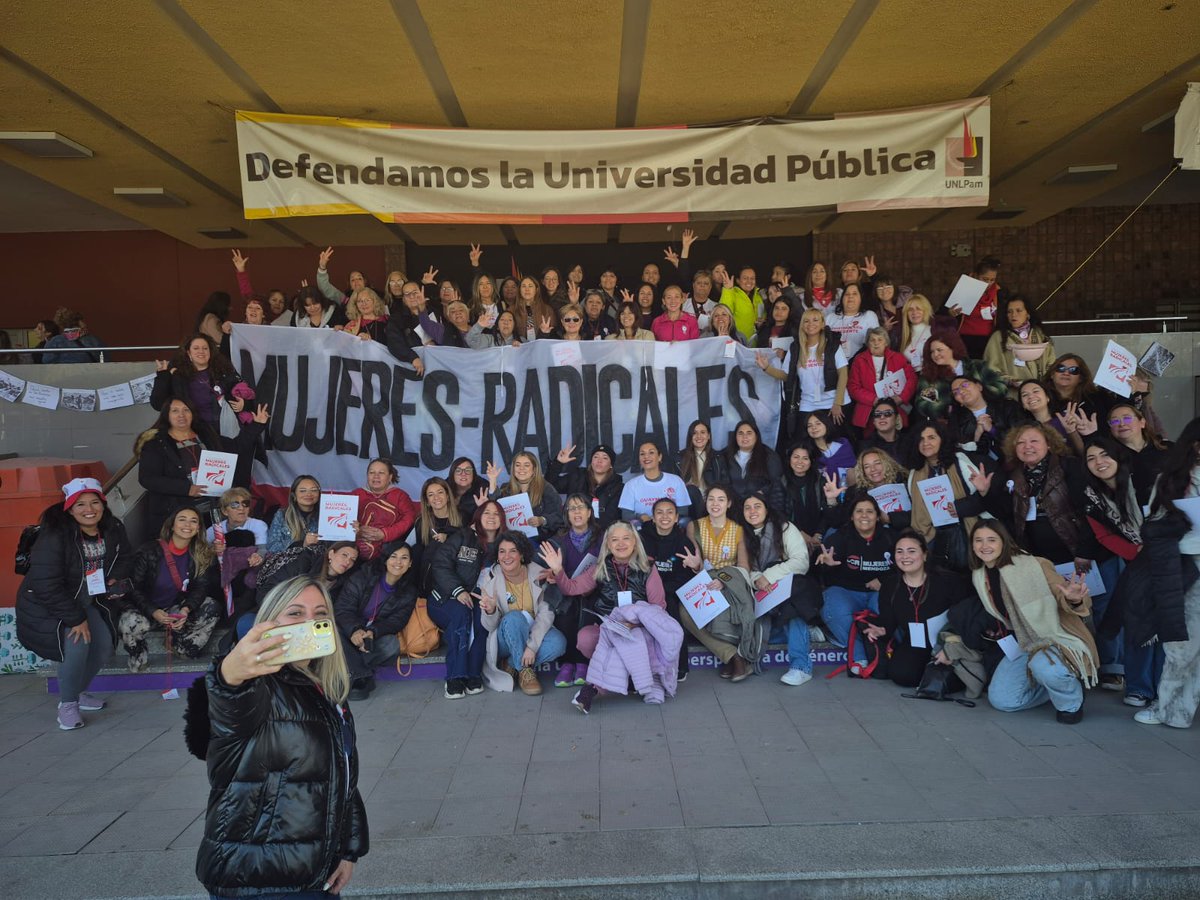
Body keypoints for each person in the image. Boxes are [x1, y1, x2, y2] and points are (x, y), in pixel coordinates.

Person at [197, 576, 367, 898]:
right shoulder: (259, 685)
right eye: (295, 613)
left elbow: (342, 777)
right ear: (269, 622)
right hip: (256, 879)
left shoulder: (326, 690)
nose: (309, 622)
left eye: (320, 614)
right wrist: (229, 674)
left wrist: (348, 850)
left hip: (315, 872)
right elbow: (230, 698)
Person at [16, 477, 133, 730]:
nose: (89, 510)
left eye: (94, 502)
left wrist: (115, 576)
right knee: (78, 645)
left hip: (86, 599)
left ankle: (77, 692)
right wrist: (75, 619)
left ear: (103, 504)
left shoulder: (112, 527)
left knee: (103, 647)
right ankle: (67, 705)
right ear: (68, 508)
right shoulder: (56, 535)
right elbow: (46, 583)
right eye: (80, 505)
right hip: (48, 603)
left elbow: (125, 556)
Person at [967, 519, 1097, 723]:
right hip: (1024, 641)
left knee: (1045, 668)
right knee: (1003, 700)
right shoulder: (979, 575)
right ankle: (1054, 686)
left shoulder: (1033, 564)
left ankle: (1070, 703)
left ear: (1004, 541)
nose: (985, 546)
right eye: (978, 540)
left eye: (991, 540)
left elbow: (1066, 593)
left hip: (1054, 636)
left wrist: (1073, 598)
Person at [541, 522, 678, 714]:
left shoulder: (647, 566)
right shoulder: (600, 567)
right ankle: (629, 678)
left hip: (641, 630)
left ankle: (593, 689)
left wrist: (633, 622)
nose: (620, 544)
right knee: (586, 638)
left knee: (629, 642)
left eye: (626, 538)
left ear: (634, 542)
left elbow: (658, 608)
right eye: (614, 540)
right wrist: (558, 570)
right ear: (608, 545)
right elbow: (571, 588)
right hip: (610, 629)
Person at [1134, 417, 1200, 728]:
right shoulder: (1172, 479)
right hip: (1185, 567)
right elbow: (1154, 527)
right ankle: (1170, 708)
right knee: (1182, 645)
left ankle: (1182, 709)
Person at [863, 530, 973, 686]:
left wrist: (952, 647)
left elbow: (965, 617)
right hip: (917, 640)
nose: (905, 556)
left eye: (912, 551)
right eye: (899, 551)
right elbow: (888, 620)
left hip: (949, 641)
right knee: (902, 675)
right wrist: (882, 630)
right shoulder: (890, 585)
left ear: (925, 555)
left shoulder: (948, 581)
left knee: (953, 675)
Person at [136, 397, 267, 527]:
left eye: (186, 410)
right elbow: (147, 479)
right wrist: (187, 489)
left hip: (213, 507)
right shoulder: (156, 444)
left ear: (192, 413)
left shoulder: (206, 434)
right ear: (166, 415)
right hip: (177, 513)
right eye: (175, 411)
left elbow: (236, 446)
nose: (181, 415)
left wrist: (257, 425)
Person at [119, 506, 221, 672]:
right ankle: (139, 657)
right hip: (145, 610)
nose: (187, 524)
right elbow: (133, 588)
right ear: (172, 525)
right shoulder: (148, 550)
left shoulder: (200, 553)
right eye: (182, 519)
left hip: (174, 608)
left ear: (198, 529)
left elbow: (200, 588)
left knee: (211, 606)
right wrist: (153, 611)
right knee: (129, 622)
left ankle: (178, 644)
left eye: (193, 521)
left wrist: (185, 609)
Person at [679, 484, 759, 682]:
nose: (715, 504)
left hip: (730, 584)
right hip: (704, 582)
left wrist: (724, 581)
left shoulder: (738, 529)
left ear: (729, 503)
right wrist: (697, 568)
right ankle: (733, 656)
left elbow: (743, 567)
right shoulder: (694, 526)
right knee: (685, 611)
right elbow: (696, 560)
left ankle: (731, 659)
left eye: (721, 499)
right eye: (711, 499)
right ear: (705, 502)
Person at [475, 531, 568, 696]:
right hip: (506, 637)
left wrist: (532, 647)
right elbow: (489, 626)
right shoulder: (489, 579)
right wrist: (491, 610)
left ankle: (512, 663)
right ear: (497, 556)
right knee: (514, 618)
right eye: (502, 551)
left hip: (533, 630)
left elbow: (546, 614)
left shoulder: (540, 574)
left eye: (512, 551)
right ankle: (526, 671)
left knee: (558, 642)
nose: (506, 556)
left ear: (522, 554)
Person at [743, 492, 821, 687]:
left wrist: (768, 576)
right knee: (779, 621)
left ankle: (801, 667)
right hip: (763, 593)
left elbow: (801, 561)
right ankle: (809, 631)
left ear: (767, 508)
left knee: (791, 611)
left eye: (757, 506)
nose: (753, 511)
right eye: (747, 507)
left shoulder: (784, 527)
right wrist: (757, 579)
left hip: (792, 588)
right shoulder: (743, 534)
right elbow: (746, 568)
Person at [428, 500, 504, 699]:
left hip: (481, 598)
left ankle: (473, 673)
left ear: (502, 519)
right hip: (446, 597)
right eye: (486, 513)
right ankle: (455, 676)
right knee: (462, 615)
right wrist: (458, 590)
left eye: (496, 514)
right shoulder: (463, 536)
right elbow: (440, 564)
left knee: (482, 619)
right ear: (478, 517)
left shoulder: (506, 542)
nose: (491, 517)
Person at [814, 496, 896, 674]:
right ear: (852, 516)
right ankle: (859, 656)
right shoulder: (840, 537)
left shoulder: (890, 537)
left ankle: (881, 653)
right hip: (845, 591)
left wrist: (883, 581)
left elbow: (904, 567)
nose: (864, 516)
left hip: (877, 593)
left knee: (889, 610)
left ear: (877, 516)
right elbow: (820, 568)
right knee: (835, 609)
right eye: (859, 511)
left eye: (869, 511)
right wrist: (825, 564)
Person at [906, 421, 997, 572]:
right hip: (935, 541)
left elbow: (984, 500)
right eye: (921, 439)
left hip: (966, 533)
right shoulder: (914, 474)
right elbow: (917, 511)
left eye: (931, 437)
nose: (926, 443)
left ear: (942, 440)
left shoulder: (960, 461)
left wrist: (959, 508)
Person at [336, 542, 417, 700]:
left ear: (410, 563)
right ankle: (361, 677)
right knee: (334, 632)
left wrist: (373, 632)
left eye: (404, 558)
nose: (398, 562)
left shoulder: (409, 591)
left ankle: (352, 671)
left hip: (372, 637)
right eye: (393, 556)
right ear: (386, 559)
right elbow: (343, 609)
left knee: (391, 645)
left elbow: (397, 621)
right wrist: (355, 630)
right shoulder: (364, 576)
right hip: (349, 632)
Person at [639, 497, 700, 681]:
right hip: (645, 589)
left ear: (676, 518)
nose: (664, 516)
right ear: (653, 517)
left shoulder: (684, 542)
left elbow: (686, 578)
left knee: (672, 612)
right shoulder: (642, 539)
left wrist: (662, 590)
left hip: (672, 591)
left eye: (669, 512)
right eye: (660, 512)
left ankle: (680, 666)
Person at [550, 493, 604, 687]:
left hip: (594, 590)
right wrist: (551, 572)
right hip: (566, 590)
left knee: (587, 608)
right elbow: (549, 567)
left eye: (581, 507)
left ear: (589, 512)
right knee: (567, 609)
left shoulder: (602, 537)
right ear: (567, 514)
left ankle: (582, 663)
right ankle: (567, 663)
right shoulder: (559, 539)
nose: (576, 512)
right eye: (572, 508)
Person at [150, 334, 245, 430]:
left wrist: (243, 403)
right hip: (195, 430)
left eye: (205, 348)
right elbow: (158, 405)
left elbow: (245, 393)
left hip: (228, 427)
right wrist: (162, 376)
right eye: (196, 348)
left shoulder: (224, 371)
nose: (201, 351)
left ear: (210, 352)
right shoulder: (178, 376)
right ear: (188, 353)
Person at [914, 329, 1006, 422]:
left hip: (990, 416)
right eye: (932, 352)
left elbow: (1000, 387)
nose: (935, 354)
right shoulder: (928, 376)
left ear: (952, 348)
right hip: (952, 424)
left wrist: (976, 398)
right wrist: (949, 408)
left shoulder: (977, 365)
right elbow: (923, 404)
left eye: (939, 350)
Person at [207, 487, 267, 620]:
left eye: (245, 504)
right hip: (223, 574)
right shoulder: (215, 530)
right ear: (224, 511)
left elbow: (262, 549)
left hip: (248, 571)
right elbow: (201, 552)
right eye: (235, 505)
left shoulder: (258, 525)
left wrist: (258, 556)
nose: (241, 508)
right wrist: (212, 550)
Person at [846, 326, 917, 433]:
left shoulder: (898, 358)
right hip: (869, 411)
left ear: (886, 343)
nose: (876, 343)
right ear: (867, 343)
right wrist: (873, 399)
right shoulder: (859, 360)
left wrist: (901, 398)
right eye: (872, 340)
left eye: (880, 340)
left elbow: (912, 379)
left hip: (895, 407)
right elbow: (853, 387)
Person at [824, 448, 911, 532]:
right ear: (863, 471)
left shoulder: (905, 483)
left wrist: (890, 518)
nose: (873, 469)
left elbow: (918, 515)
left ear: (886, 464)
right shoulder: (856, 491)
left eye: (877, 463)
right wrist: (831, 499)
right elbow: (838, 523)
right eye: (867, 466)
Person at [983, 295, 1056, 394]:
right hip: (1013, 395)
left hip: (1041, 392)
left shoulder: (1040, 333)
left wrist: (1045, 380)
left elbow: (1051, 361)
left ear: (1028, 314)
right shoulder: (998, 337)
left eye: (1019, 310)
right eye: (1010, 312)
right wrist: (1012, 382)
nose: (1014, 315)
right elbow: (990, 368)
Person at [487, 451, 564, 542]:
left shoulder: (546, 488)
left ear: (534, 469)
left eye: (526, 465)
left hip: (539, 541)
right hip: (511, 540)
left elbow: (558, 517)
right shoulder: (506, 488)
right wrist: (492, 481)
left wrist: (542, 520)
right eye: (518, 465)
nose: (521, 469)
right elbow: (495, 509)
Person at [352, 458, 419, 562]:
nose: (376, 476)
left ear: (390, 477)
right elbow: (343, 517)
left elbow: (409, 519)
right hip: (356, 547)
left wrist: (385, 534)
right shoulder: (356, 494)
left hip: (388, 548)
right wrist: (355, 530)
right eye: (372, 472)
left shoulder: (400, 496)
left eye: (381, 473)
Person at [546, 443, 625, 530]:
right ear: (591, 461)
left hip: (602, 533)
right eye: (596, 457)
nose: (599, 460)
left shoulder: (618, 487)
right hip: (571, 529)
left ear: (611, 465)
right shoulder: (577, 476)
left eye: (605, 458)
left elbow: (612, 517)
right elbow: (550, 486)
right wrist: (558, 463)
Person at [1103, 401, 1169, 505]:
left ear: (1142, 422)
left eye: (1127, 418)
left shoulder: (1168, 448)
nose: (1122, 424)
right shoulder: (1109, 458)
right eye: (1114, 421)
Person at [946, 373, 1022, 458]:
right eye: (956, 392)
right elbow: (960, 453)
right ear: (958, 402)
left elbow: (1021, 437)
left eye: (965, 385)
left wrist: (992, 430)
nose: (961, 391)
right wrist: (977, 435)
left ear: (979, 387)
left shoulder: (1008, 407)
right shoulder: (956, 421)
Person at [411, 476, 462, 595]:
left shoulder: (462, 517)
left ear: (448, 496)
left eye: (440, 492)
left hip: (454, 569)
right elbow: (421, 553)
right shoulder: (421, 522)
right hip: (430, 573)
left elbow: (468, 544)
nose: (436, 498)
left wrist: (448, 538)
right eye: (431, 494)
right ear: (427, 501)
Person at [618, 440, 690, 523]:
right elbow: (626, 515)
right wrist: (640, 516)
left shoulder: (675, 481)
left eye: (651, 453)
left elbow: (683, 511)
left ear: (659, 457)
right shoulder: (631, 485)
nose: (646, 456)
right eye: (642, 454)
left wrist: (663, 519)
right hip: (643, 529)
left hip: (670, 527)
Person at [946, 256, 1003, 359]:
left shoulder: (1000, 293)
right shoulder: (962, 289)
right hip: (963, 339)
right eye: (985, 279)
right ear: (976, 275)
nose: (989, 283)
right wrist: (950, 313)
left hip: (989, 339)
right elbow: (941, 313)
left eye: (992, 280)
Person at [722, 419, 785, 511]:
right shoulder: (725, 456)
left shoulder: (769, 456)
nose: (745, 437)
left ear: (756, 436)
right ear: (735, 437)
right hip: (732, 507)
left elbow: (776, 483)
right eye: (740, 433)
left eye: (749, 433)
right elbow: (722, 482)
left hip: (759, 506)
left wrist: (761, 493)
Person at [1045, 353, 1108, 423]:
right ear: (1052, 374)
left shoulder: (1096, 399)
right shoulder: (1040, 398)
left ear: (1081, 378)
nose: (1066, 373)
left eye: (1073, 370)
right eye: (1061, 368)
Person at [266, 475, 322, 554]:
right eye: (303, 491)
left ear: (319, 494)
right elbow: (272, 546)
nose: (309, 494)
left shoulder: (325, 516)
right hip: (288, 563)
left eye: (314, 490)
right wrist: (301, 544)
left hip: (316, 562)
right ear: (294, 495)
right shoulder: (282, 515)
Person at [826, 282, 880, 359]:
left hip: (860, 364)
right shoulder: (830, 318)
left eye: (854, 294)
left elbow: (876, 343)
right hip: (833, 364)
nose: (850, 296)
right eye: (847, 294)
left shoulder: (869, 315)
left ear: (861, 298)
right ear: (842, 298)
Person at [805, 410, 856, 479]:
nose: (813, 427)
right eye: (809, 426)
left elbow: (853, 470)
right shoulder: (807, 451)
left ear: (826, 424)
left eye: (818, 423)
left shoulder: (842, 446)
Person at [447, 456, 489, 522]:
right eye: (458, 471)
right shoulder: (444, 487)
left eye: (468, 470)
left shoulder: (483, 487)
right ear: (452, 474)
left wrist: (482, 509)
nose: (463, 474)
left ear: (473, 474)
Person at [898, 293, 934, 369]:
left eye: (918, 308)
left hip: (931, 376)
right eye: (910, 310)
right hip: (912, 377)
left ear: (925, 310)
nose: (914, 312)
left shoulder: (934, 330)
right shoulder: (902, 335)